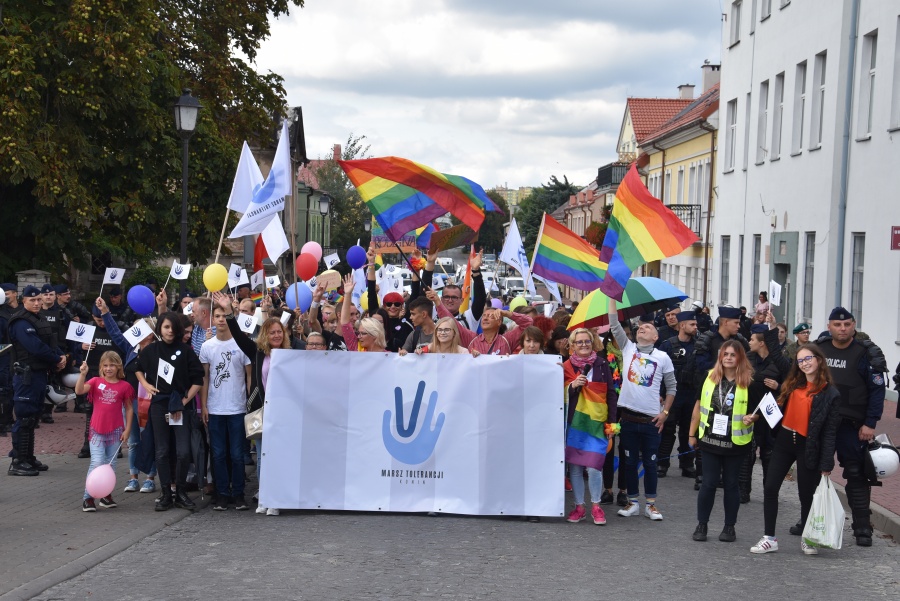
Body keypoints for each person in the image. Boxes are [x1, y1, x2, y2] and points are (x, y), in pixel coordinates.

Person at [750, 344, 842, 555]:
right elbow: (774, 408)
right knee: (770, 487)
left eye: (808, 358)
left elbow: (829, 432)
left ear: (818, 359)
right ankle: (769, 538)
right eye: (800, 361)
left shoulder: (830, 393)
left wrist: (827, 463)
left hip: (807, 445)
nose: (805, 363)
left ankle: (808, 538)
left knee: (806, 494)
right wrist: (755, 417)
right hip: (783, 441)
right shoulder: (792, 384)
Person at [813, 307, 887, 547]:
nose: (842, 329)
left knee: (856, 474)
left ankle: (862, 527)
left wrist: (870, 423)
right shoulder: (818, 349)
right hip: (822, 422)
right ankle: (809, 520)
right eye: (837, 325)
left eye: (847, 325)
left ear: (854, 325)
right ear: (829, 326)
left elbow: (877, 391)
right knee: (813, 470)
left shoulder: (867, 353)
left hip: (852, 425)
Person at [214, 292, 289, 516]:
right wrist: (229, 312)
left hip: (284, 412)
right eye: (272, 332)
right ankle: (265, 496)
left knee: (279, 455)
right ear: (265, 334)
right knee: (263, 455)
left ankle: (277, 497)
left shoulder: (291, 353)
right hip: (261, 409)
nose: (276, 335)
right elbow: (237, 335)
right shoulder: (257, 353)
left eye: (279, 332)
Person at [608, 298, 676, 521]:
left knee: (650, 462)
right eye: (640, 327)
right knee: (628, 462)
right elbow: (613, 323)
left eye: (648, 327)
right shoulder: (627, 349)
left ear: (656, 337)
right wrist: (612, 298)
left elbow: (672, 387)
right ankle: (633, 502)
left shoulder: (662, 357)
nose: (642, 328)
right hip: (628, 418)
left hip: (650, 421)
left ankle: (651, 504)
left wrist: (665, 413)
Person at [688, 340, 757, 543]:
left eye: (732, 355)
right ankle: (702, 524)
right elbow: (698, 407)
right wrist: (691, 434)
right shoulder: (709, 377)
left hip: (736, 443)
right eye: (725, 354)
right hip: (709, 440)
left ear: (740, 358)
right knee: (708, 484)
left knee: (731, 484)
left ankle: (729, 527)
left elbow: (758, 411)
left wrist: (752, 418)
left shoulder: (750, 382)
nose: (728, 358)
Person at [135, 312, 204, 511]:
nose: (170, 331)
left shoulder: (186, 351)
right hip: (159, 405)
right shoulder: (151, 350)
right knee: (162, 451)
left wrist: (184, 400)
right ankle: (166, 493)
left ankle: (180, 492)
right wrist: (146, 385)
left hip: (179, 406)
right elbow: (137, 368)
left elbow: (198, 379)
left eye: (173, 327)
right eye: (165, 327)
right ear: (159, 329)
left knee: (183, 451)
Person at [684, 305, 750, 490]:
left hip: (733, 395)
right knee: (705, 434)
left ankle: (722, 475)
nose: (739, 326)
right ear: (725, 322)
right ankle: (702, 474)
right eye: (736, 323)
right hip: (710, 392)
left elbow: (748, 361)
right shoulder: (708, 339)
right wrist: (719, 371)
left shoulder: (740, 341)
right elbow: (699, 363)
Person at [98, 296, 159, 495]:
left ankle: (150, 478)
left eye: (139, 329)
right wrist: (106, 312)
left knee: (149, 439)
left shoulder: (158, 351)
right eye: (134, 329)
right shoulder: (131, 349)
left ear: (150, 334)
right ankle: (133, 478)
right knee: (133, 440)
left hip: (150, 401)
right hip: (130, 402)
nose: (134, 333)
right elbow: (116, 334)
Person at [7, 286, 66, 476]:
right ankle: (18, 461)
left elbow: (50, 343)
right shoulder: (20, 322)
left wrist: (61, 357)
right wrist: (56, 359)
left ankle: (28, 457)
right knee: (24, 417)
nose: (37, 303)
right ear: (23, 300)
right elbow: (36, 347)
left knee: (32, 417)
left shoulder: (39, 320)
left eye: (39, 300)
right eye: (32, 300)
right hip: (26, 376)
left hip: (39, 375)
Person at [564, 328, 618, 526]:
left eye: (587, 341)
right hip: (574, 423)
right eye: (579, 342)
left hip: (597, 423)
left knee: (594, 466)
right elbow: (556, 394)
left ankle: (596, 506)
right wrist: (572, 386)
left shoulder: (602, 364)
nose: (584, 345)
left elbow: (611, 394)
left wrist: (612, 423)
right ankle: (579, 506)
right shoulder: (565, 367)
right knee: (576, 467)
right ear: (572, 346)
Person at [200, 303, 252, 511]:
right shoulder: (207, 347)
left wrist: (249, 403)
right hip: (215, 408)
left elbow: (249, 377)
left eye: (224, 316)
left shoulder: (242, 344)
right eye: (218, 316)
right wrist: (204, 406)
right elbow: (204, 378)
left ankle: (238, 494)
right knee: (218, 454)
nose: (221, 320)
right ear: (213, 319)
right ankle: (222, 494)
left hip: (237, 408)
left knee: (237, 455)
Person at [74, 352, 134, 512]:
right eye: (106, 365)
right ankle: (88, 497)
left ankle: (106, 495)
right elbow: (79, 390)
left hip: (115, 431)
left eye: (112, 365)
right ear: (101, 367)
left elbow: (129, 409)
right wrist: (82, 374)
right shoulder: (95, 382)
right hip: (97, 431)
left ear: (118, 367)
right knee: (97, 462)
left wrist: (127, 429)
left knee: (110, 464)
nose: (109, 368)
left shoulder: (125, 386)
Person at [740, 319, 791, 503]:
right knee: (747, 453)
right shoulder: (746, 358)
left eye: (752, 339)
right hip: (750, 412)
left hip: (771, 415)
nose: (749, 342)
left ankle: (770, 493)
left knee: (769, 455)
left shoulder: (780, 361)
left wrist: (778, 386)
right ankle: (743, 490)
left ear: (762, 342)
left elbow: (791, 386)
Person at [657, 311, 699, 478]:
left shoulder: (699, 345)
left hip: (691, 394)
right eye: (692, 324)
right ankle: (662, 463)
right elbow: (658, 371)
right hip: (672, 394)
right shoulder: (667, 345)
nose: (695, 327)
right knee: (668, 429)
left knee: (688, 430)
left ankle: (687, 463)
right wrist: (660, 393)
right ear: (683, 326)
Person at [421, 246, 485, 331]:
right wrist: (430, 263)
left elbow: (480, 300)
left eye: (454, 297)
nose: (450, 300)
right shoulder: (432, 315)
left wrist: (476, 271)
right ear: (441, 299)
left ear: (461, 300)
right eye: (447, 297)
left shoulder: (469, 319)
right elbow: (423, 295)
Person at [341, 273, 388, 353]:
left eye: (363, 333)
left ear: (375, 335)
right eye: (358, 333)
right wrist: (348, 294)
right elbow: (345, 323)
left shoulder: (388, 356)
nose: (359, 336)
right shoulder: (356, 348)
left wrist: (403, 354)